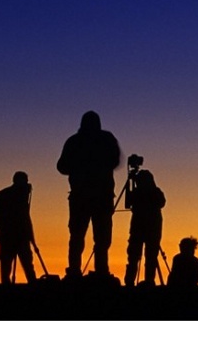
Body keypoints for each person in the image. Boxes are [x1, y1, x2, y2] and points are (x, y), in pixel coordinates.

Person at [57, 110, 121, 280]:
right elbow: (115, 160)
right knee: (101, 238)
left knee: (77, 236)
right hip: (101, 196)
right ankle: (101, 272)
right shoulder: (106, 139)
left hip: (81, 196)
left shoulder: (74, 141)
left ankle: (75, 271)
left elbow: (61, 166)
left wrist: (78, 167)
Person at [0, 171, 37, 284]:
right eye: (25, 181)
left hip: (17, 236)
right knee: (9, 266)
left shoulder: (17, 196)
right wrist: (4, 229)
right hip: (11, 237)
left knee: (25, 265)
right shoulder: (6, 194)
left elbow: (26, 218)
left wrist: (32, 240)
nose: (27, 184)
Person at [124, 169, 166, 287]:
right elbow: (128, 203)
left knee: (147, 256)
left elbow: (161, 202)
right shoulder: (153, 192)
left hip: (147, 229)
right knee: (137, 256)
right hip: (147, 229)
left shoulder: (153, 192)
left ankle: (144, 280)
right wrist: (130, 183)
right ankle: (137, 281)